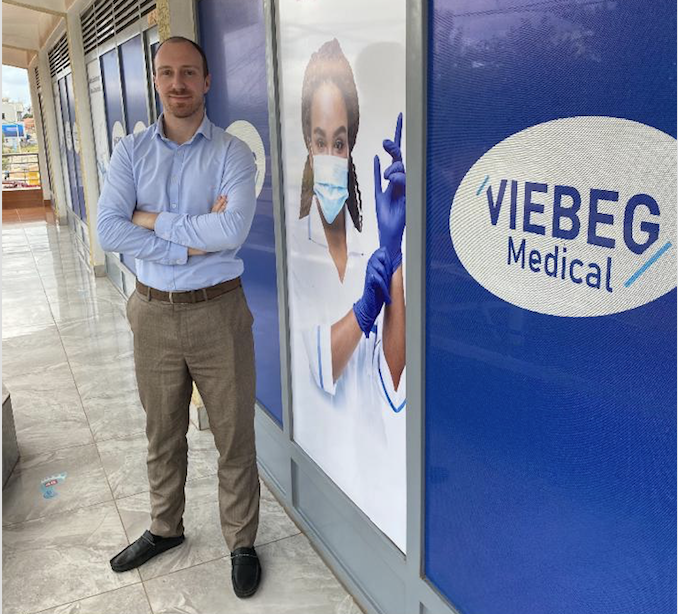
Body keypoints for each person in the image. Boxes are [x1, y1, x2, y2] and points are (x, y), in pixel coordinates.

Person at [97, 36, 261, 599]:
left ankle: (241, 540)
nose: (177, 84)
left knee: (234, 434)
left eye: (188, 72)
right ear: (155, 80)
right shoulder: (131, 153)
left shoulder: (232, 155)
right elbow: (109, 229)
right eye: (166, 73)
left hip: (220, 312)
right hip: (152, 313)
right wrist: (189, 241)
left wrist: (152, 221)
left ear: (208, 80)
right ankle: (165, 527)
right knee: (161, 431)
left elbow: (231, 231)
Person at [289, 39, 407, 549]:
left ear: (352, 146)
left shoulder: (368, 243)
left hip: (374, 467)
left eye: (340, 143)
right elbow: (317, 362)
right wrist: (362, 313)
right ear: (306, 145)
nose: (331, 155)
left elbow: (394, 372)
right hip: (318, 466)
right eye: (320, 141)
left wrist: (395, 254)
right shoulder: (294, 249)